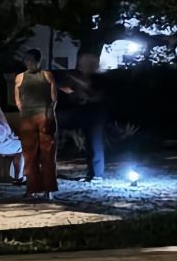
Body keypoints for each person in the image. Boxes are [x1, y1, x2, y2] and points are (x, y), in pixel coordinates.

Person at [13, 48, 58, 198]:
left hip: (44, 115)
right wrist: (22, 110)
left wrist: (49, 114)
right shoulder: (20, 77)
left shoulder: (46, 75)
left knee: (47, 153)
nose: (28, 63)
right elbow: (17, 97)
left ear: (38, 61)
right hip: (28, 117)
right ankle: (32, 188)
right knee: (29, 154)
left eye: (31, 60)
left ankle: (48, 189)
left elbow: (54, 98)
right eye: (26, 60)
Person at [58, 51, 107, 181]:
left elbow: (94, 93)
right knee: (90, 143)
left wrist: (77, 81)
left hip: (95, 115)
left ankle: (97, 174)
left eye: (83, 65)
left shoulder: (99, 78)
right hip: (85, 113)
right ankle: (93, 173)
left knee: (94, 142)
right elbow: (75, 92)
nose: (81, 67)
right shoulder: (85, 78)